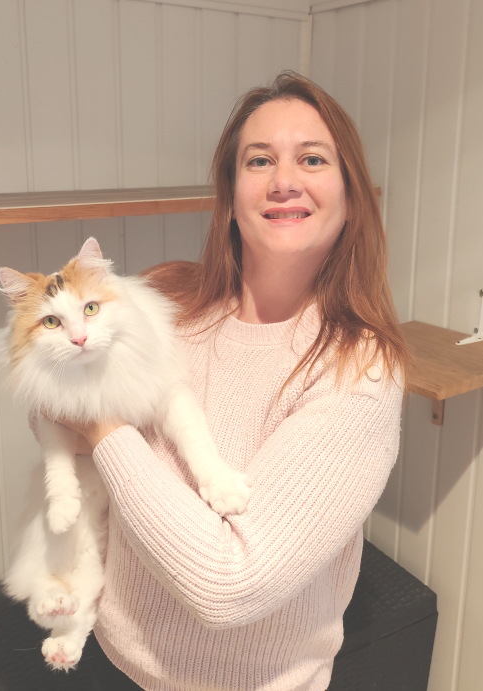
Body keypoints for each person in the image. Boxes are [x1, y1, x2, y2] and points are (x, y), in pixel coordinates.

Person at [66, 70, 409, 690]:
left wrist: (102, 428)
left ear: (352, 196)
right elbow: (53, 396)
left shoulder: (360, 369)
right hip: (111, 655)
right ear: (230, 194)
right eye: (259, 160)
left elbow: (229, 583)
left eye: (312, 158)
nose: (284, 181)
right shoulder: (166, 297)